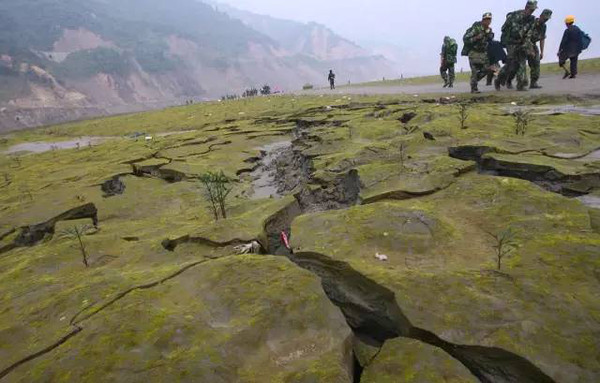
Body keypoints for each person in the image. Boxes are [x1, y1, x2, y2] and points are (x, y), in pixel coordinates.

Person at [495, 0, 537, 91]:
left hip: (522, 43)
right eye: (531, 10)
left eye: (533, 10)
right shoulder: (514, 16)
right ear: (526, 8)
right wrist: (506, 43)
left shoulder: (532, 20)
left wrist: (528, 47)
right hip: (511, 43)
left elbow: (529, 34)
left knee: (521, 62)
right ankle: (498, 80)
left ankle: (520, 84)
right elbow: (504, 29)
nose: (532, 12)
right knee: (511, 65)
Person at [507, 9, 552, 89]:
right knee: (519, 66)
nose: (545, 20)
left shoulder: (544, 26)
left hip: (532, 44)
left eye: (547, 19)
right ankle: (518, 83)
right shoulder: (532, 23)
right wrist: (530, 50)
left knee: (536, 63)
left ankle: (533, 83)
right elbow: (526, 37)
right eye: (544, 18)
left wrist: (542, 52)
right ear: (541, 16)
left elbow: (542, 38)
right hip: (522, 44)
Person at [463, 12, 495, 94]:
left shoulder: (489, 30)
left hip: (483, 53)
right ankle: (474, 88)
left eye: (489, 20)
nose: (488, 22)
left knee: (487, 69)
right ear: (483, 20)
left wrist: (490, 35)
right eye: (486, 20)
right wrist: (476, 37)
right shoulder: (476, 28)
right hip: (474, 52)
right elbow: (466, 39)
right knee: (474, 70)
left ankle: (474, 81)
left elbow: (490, 40)